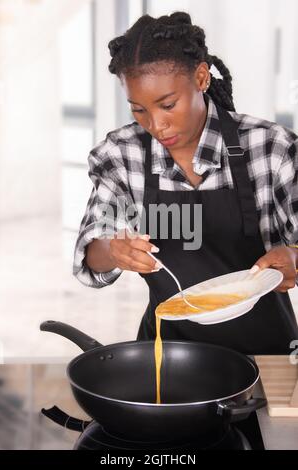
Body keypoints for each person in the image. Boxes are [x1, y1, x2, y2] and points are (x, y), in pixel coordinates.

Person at [73, 11, 298, 354]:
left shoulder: (270, 148)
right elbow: (92, 257)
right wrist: (115, 251)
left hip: (268, 355)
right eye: (139, 110)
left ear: (202, 77)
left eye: (168, 105)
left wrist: (294, 257)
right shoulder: (122, 154)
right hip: (167, 354)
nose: (156, 125)